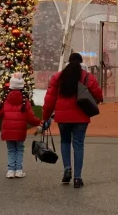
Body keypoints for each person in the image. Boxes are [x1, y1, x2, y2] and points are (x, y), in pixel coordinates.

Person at [42, 52, 103, 189]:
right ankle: (77, 178)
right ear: (81, 63)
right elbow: (99, 94)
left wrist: (46, 116)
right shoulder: (87, 77)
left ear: (68, 62)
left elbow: (49, 99)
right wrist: (94, 102)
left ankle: (67, 169)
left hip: (63, 118)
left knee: (65, 141)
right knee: (78, 145)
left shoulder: (58, 77)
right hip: (81, 116)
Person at [0, 72, 40, 178]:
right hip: (20, 130)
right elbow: (30, 118)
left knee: (11, 150)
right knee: (19, 149)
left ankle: (10, 170)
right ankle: (18, 170)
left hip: (7, 129)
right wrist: (39, 122)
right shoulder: (24, 101)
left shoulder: (5, 100)